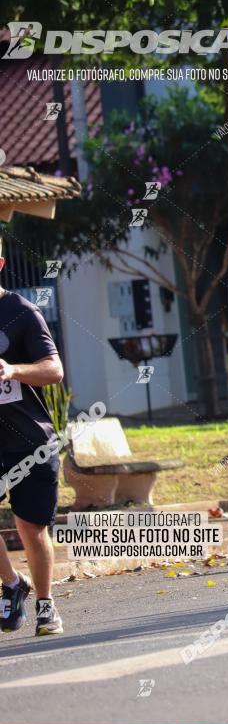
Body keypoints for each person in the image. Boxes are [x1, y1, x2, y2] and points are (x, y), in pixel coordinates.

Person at [0, 236, 65, 634]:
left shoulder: (21, 312)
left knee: (30, 528)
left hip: (28, 439)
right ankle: (11, 585)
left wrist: (13, 370)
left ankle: (45, 603)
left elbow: (54, 370)